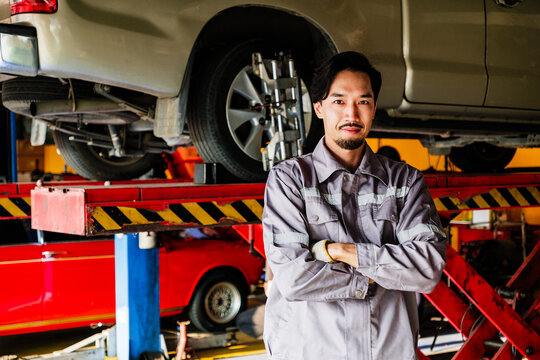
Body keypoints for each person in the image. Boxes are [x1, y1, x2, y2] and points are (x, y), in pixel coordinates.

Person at [262, 52, 447, 360]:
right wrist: (380, 273)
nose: (352, 113)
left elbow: (427, 269)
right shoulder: (289, 180)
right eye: (339, 101)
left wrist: (339, 252)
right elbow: (294, 279)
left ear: (374, 109)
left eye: (363, 101)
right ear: (319, 108)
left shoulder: (405, 181)